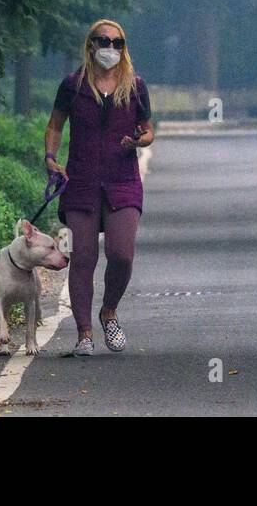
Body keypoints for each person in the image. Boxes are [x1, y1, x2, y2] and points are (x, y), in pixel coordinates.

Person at [45, 18, 153, 356]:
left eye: (117, 43)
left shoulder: (134, 85)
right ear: (91, 45)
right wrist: (50, 157)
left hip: (122, 181)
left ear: (124, 48)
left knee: (121, 254)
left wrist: (138, 140)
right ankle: (84, 333)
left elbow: (147, 129)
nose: (110, 49)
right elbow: (55, 126)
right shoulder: (73, 85)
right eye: (103, 41)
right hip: (81, 182)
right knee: (83, 258)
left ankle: (109, 311)